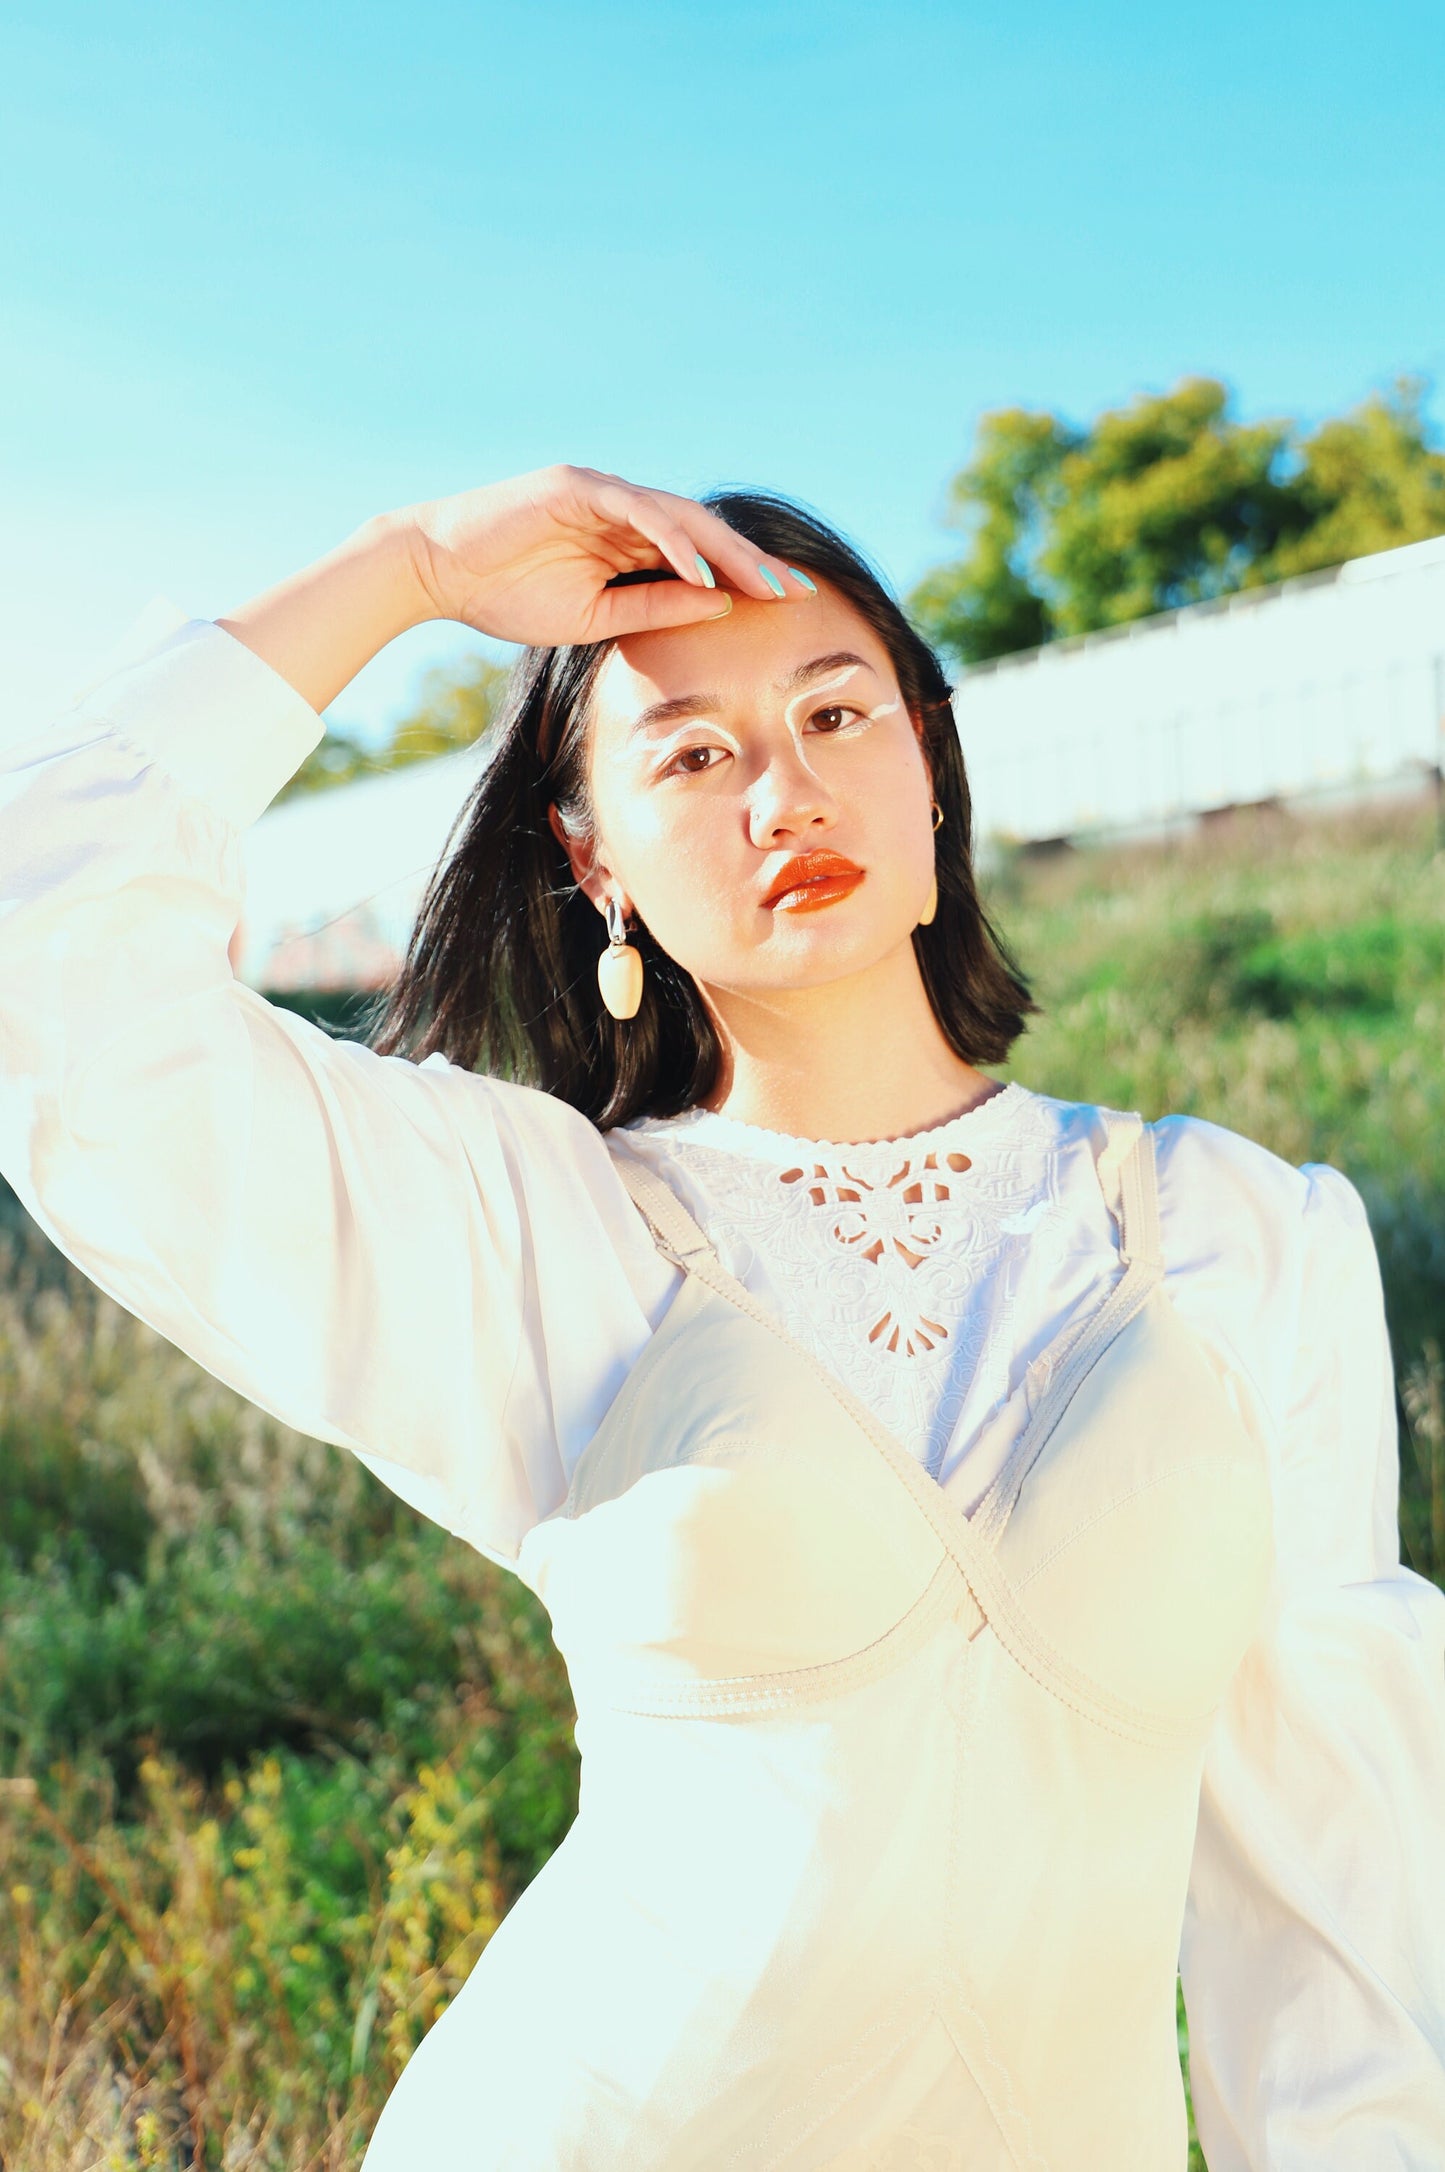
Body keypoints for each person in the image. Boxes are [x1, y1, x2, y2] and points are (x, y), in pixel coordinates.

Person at [1, 464, 1442, 2170]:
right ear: (586, 852)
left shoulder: (1246, 1236)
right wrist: (404, 572)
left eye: (838, 713)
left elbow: (1342, 1916)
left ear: (927, 763)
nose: (786, 791)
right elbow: (49, 970)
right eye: (692, 753)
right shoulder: (535, 1232)